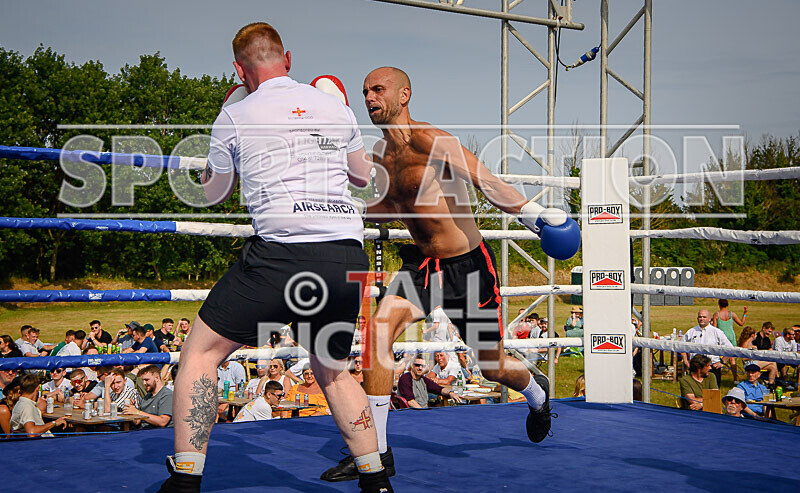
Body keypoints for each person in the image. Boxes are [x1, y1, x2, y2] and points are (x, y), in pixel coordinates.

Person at [159, 22, 389, 493]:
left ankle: (185, 480)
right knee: (333, 369)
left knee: (200, 354)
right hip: (345, 253)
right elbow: (364, 179)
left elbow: (215, 193)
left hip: (280, 255)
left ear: (240, 71)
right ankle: (377, 480)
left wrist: (220, 146)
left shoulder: (236, 114)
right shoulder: (335, 107)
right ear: (288, 59)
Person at [337, 66, 579, 483]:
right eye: (365, 92)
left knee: (491, 366)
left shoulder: (432, 140)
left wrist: (534, 217)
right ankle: (375, 454)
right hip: (422, 266)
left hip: (466, 266)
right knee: (377, 333)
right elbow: (386, 209)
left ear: (404, 94)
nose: (369, 98)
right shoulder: (379, 157)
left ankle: (537, 395)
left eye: (378, 89)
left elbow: (486, 181)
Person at [682, 309, 733, 386]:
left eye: (704, 317)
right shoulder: (691, 331)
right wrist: (686, 361)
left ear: (709, 319)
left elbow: (730, 348)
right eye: (700, 317)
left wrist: (723, 362)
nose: (701, 319)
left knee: (712, 394)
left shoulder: (716, 332)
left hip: (712, 368)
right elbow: (681, 346)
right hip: (695, 368)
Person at [397, 356, 463, 408]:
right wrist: (424, 413)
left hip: (423, 411)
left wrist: (451, 393)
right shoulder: (405, 378)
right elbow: (410, 401)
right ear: (412, 365)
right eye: (417, 365)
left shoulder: (423, 379)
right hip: (412, 413)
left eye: (422, 366)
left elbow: (439, 389)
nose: (420, 368)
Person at [127, 365, 172, 429]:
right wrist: (132, 411)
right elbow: (137, 422)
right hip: (142, 432)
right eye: (143, 380)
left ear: (157, 378)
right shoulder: (147, 397)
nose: (144, 383)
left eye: (146, 380)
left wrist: (138, 412)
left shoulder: (167, 395)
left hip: (158, 434)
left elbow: (162, 422)